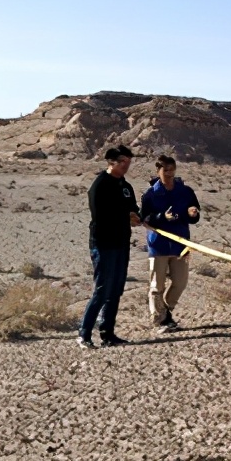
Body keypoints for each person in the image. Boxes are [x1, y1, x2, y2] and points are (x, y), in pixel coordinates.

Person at [78, 145, 140, 348]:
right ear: (111, 162)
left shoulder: (125, 187)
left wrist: (135, 217)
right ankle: (84, 334)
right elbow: (100, 215)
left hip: (122, 242)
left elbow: (133, 209)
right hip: (103, 243)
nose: (126, 166)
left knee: (116, 289)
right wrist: (125, 216)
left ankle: (107, 333)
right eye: (122, 162)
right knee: (103, 289)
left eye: (128, 163)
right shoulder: (100, 185)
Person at [140, 155, 201, 333]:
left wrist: (192, 213)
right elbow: (145, 219)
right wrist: (161, 217)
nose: (169, 173)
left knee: (180, 282)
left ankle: (165, 312)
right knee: (156, 286)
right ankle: (159, 320)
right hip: (158, 245)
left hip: (180, 244)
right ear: (158, 171)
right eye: (165, 170)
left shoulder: (185, 191)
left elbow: (194, 215)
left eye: (172, 169)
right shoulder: (151, 194)